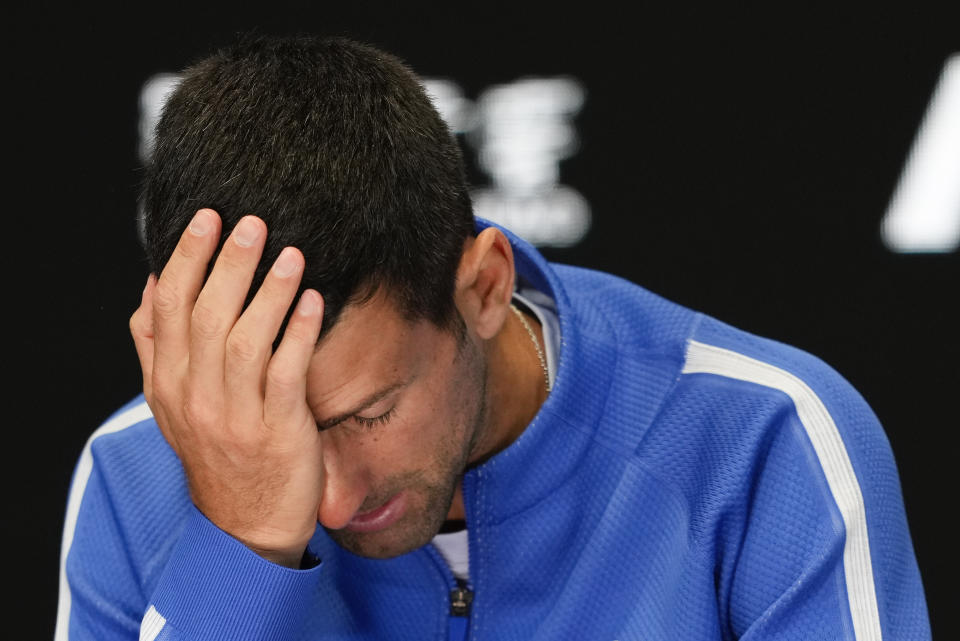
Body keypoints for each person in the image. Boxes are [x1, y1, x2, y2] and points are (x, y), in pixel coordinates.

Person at [56, 35, 930, 641]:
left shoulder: (762, 440)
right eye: (267, 428)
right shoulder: (137, 470)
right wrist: (240, 542)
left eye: (368, 412)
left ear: (482, 286)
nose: (326, 501)